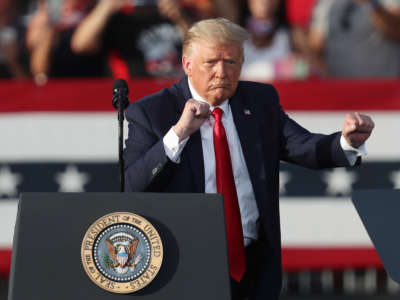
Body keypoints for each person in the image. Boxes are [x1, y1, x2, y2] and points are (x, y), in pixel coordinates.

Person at [123, 18, 374, 300]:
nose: (222, 72)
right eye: (211, 62)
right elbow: (132, 187)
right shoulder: (151, 112)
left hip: (254, 266)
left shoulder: (259, 101)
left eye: (231, 62)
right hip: (185, 263)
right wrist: (179, 133)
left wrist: (346, 142)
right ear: (187, 65)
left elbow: (302, 145)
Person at [308, 0, 400, 78]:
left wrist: (372, 5)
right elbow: (316, 45)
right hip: (343, 91)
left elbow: (396, 30)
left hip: (386, 90)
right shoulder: (326, 3)